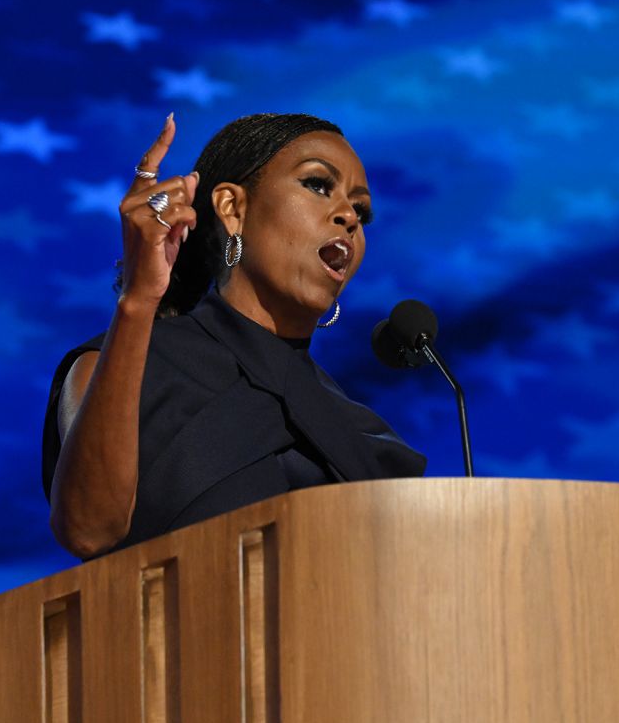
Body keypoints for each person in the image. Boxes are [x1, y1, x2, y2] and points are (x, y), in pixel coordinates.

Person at [42, 112, 425, 559]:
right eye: (319, 185)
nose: (348, 217)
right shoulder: (133, 367)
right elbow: (89, 529)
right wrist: (138, 300)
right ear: (232, 208)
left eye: (361, 210)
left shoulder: (362, 436)